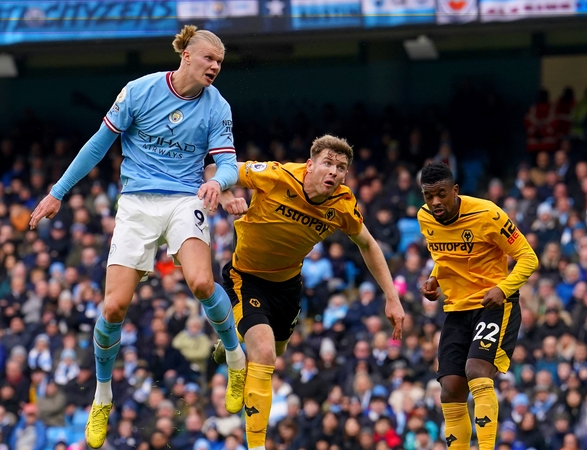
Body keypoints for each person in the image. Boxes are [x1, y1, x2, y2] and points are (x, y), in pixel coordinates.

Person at [28, 25, 247, 448]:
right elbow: (98, 144)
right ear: (186, 55)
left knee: (202, 282)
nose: (215, 67)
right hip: (135, 204)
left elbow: (228, 164)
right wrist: (58, 192)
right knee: (113, 308)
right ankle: (102, 396)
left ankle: (235, 357)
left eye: (219, 63)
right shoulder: (139, 91)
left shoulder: (217, 105)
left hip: (186, 199)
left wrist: (218, 182)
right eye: (208, 59)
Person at [207, 134, 405, 450]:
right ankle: (256, 445)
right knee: (265, 352)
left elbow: (367, 243)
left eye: (341, 167)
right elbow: (214, 167)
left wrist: (392, 297)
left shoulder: (342, 204)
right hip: (246, 276)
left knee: (278, 351)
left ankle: (231, 341)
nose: (334, 172)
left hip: (287, 286)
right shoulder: (275, 175)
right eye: (328, 163)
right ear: (310, 164)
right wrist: (227, 193)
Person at [417, 161, 538, 450]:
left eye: (441, 194)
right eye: (428, 195)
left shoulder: (488, 214)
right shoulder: (425, 218)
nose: (435, 201)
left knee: (476, 371)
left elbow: (528, 257)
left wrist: (503, 288)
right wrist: (434, 279)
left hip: (493, 303)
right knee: (449, 389)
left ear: (455, 190)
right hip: (456, 309)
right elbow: (445, 256)